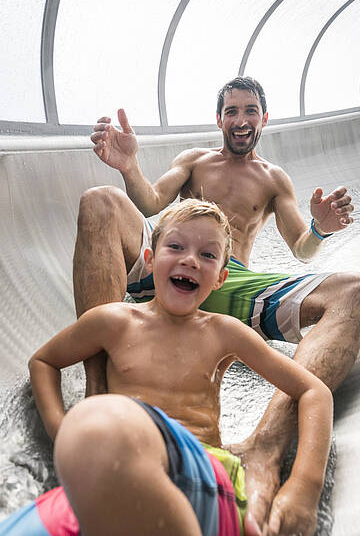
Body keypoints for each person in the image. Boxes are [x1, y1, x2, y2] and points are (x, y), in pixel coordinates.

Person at [74, 76, 359, 529]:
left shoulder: (272, 179)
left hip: (231, 280)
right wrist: (129, 168)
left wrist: (319, 229)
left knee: (354, 290)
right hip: (167, 268)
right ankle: (98, 394)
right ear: (220, 119)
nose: (241, 120)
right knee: (100, 201)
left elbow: (300, 246)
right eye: (232, 111)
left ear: (264, 119)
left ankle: (267, 446)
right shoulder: (194, 161)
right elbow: (149, 202)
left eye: (250, 111)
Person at [1, 199, 332, 536]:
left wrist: (304, 487)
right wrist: (62, 434)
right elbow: (43, 362)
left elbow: (313, 391)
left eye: (207, 254)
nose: (190, 259)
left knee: (97, 421)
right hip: (110, 464)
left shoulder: (223, 332)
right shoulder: (113, 321)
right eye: (175, 246)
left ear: (220, 277)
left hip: (198, 474)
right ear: (149, 260)